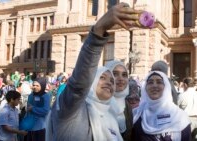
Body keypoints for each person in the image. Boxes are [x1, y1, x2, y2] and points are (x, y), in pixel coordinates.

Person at [46, 3, 141, 141]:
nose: (110, 82)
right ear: (92, 80)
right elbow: (78, 86)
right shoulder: (72, 109)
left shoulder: (111, 117)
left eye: (111, 81)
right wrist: (99, 30)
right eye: (102, 77)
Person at [132, 71, 191, 141]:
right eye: (150, 82)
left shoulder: (180, 116)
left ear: (166, 87)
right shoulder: (137, 114)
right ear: (145, 88)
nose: (154, 85)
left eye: (159, 82)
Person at [105, 60, 133, 141]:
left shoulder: (127, 106)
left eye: (124, 75)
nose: (120, 78)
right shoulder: (99, 103)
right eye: (115, 74)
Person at [177, 77, 197, 141]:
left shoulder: (182, 95)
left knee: (187, 138)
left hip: (187, 120)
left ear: (185, 85)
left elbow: (177, 109)